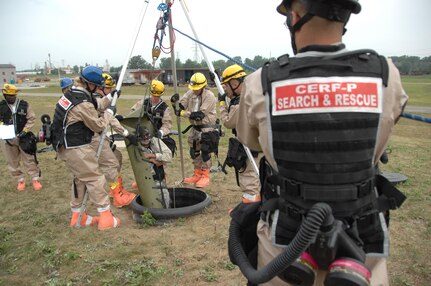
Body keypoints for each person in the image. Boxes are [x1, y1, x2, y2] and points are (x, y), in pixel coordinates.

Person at [233, 1, 409, 285]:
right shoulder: (385, 74)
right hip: (362, 246)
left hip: (285, 244)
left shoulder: (260, 81)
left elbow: (249, 138)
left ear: (296, 15)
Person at [51, 66, 119, 230]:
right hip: (75, 146)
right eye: (98, 86)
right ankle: (106, 218)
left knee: (80, 179)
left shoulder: (74, 94)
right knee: (95, 178)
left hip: (65, 144)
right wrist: (110, 113)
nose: (99, 89)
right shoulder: (82, 103)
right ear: (89, 84)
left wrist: (110, 97)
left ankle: (77, 216)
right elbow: (98, 125)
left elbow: (96, 104)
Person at [88, 72, 137, 208]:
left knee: (117, 156)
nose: (110, 91)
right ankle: (118, 196)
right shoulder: (95, 100)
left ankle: (115, 188)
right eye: (108, 88)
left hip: (99, 135)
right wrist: (126, 134)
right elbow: (110, 120)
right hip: (93, 137)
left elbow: (112, 117)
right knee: (111, 164)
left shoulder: (100, 99)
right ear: (100, 88)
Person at [219, 64, 261, 203]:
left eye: (226, 86)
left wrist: (222, 106)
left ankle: (249, 206)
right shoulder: (252, 93)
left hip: (248, 144)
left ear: (235, 83)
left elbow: (228, 122)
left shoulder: (239, 103)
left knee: (248, 177)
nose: (225, 89)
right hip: (258, 142)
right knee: (257, 175)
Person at [173, 72, 218, 188]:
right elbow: (181, 106)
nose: (195, 90)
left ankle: (205, 175)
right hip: (194, 128)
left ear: (203, 86)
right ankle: (197, 173)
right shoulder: (190, 93)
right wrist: (175, 104)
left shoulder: (210, 96)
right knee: (194, 151)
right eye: (193, 88)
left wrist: (183, 113)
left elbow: (199, 115)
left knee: (205, 151)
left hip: (207, 128)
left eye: (197, 88)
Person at [0, 84, 42, 191]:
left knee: (29, 159)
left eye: (13, 95)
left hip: (24, 137)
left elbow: (31, 118)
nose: (11, 97)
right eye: (8, 95)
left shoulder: (24, 105)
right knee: (12, 160)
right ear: (4, 95)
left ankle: (35, 179)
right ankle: (20, 180)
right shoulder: (1, 106)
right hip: (7, 139)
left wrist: (25, 130)